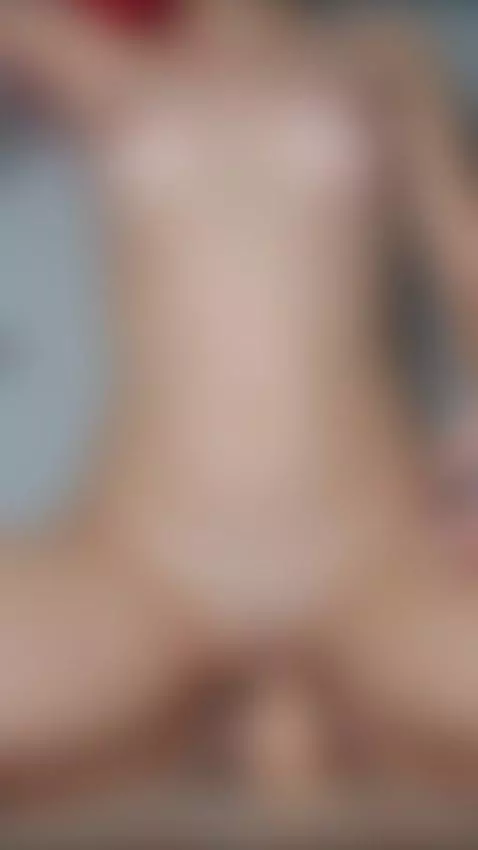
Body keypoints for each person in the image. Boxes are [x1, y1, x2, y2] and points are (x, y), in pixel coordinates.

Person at [0, 0, 476, 800]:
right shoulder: (97, 67)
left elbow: (466, 254)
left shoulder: (383, 56)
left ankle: (297, 718)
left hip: (374, 559)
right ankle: (242, 722)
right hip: (146, 564)